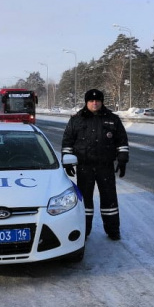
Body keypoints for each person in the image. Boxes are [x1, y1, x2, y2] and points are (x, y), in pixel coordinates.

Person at [61, 89, 129, 240]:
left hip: (105, 166)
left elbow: (121, 141)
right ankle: (84, 231)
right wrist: (67, 161)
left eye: (97, 100)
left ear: (102, 101)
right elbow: (67, 142)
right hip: (85, 167)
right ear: (86, 102)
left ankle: (113, 230)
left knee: (109, 199)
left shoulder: (113, 119)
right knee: (85, 201)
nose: (94, 103)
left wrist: (123, 158)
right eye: (91, 101)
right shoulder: (76, 120)